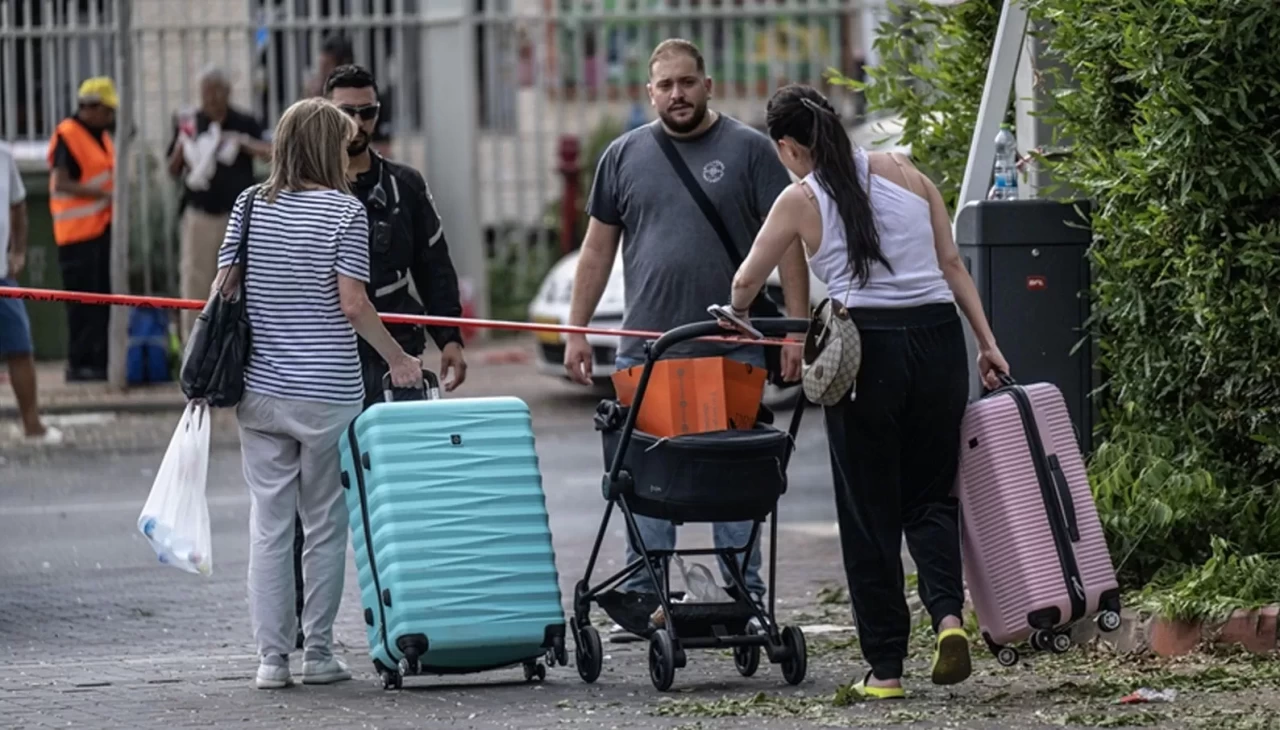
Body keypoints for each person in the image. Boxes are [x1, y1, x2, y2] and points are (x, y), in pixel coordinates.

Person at [721, 84, 1010, 699]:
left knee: (868, 512)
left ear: (788, 146)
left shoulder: (800, 198)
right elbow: (952, 264)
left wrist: (737, 311)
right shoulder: (905, 169)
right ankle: (949, 619)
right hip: (939, 341)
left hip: (866, 353)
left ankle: (885, 670)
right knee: (931, 498)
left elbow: (746, 280)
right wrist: (987, 343)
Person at [563, 38, 810, 642]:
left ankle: (741, 595)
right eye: (665, 85)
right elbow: (596, 251)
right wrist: (575, 328)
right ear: (649, 92)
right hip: (647, 352)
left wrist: (796, 332)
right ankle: (649, 596)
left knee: (733, 483)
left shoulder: (750, 152)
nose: (677, 94)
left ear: (708, 84)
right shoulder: (622, 156)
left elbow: (791, 244)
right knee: (647, 483)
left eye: (687, 82)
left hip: (733, 349)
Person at [211, 96, 424, 690]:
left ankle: (270, 660)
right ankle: (319, 653)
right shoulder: (344, 212)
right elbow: (354, 304)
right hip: (327, 392)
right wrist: (399, 358)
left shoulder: (249, 204)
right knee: (326, 524)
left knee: (269, 524)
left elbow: (223, 287)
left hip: (259, 391)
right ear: (326, 147)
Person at [276, 63, 468, 650]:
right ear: (322, 112)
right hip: (320, 361)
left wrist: (451, 339)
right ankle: (303, 636)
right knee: (310, 507)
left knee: (404, 495)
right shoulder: (295, 192)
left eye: (368, 112)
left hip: (397, 358)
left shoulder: (403, 185)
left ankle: (413, 620)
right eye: (346, 112)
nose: (358, 124)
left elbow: (434, 266)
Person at [166, 65, 272, 342]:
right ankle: (195, 345)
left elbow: (270, 153)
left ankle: (239, 343)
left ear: (227, 93)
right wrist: (183, 144)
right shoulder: (190, 121)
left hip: (237, 218)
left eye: (216, 92)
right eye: (205, 93)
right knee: (195, 281)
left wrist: (241, 142)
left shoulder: (243, 121)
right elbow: (172, 169)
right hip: (200, 216)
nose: (210, 99)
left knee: (242, 282)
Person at [47, 77, 117, 383]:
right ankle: (80, 364)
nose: (111, 117)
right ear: (93, 108)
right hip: (76, 236)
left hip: (99, 231)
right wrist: (101, 195)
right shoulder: (68, 135)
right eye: (108, 111)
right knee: (82, 304)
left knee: (100, 301)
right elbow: (61, 181)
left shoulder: (100, 136)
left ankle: (98, 361)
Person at [0, 141, 62, 445]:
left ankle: (31, 424)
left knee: (20, 347)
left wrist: (19, 251)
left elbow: (18, 205)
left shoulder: (3, 156)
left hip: (1, 277)